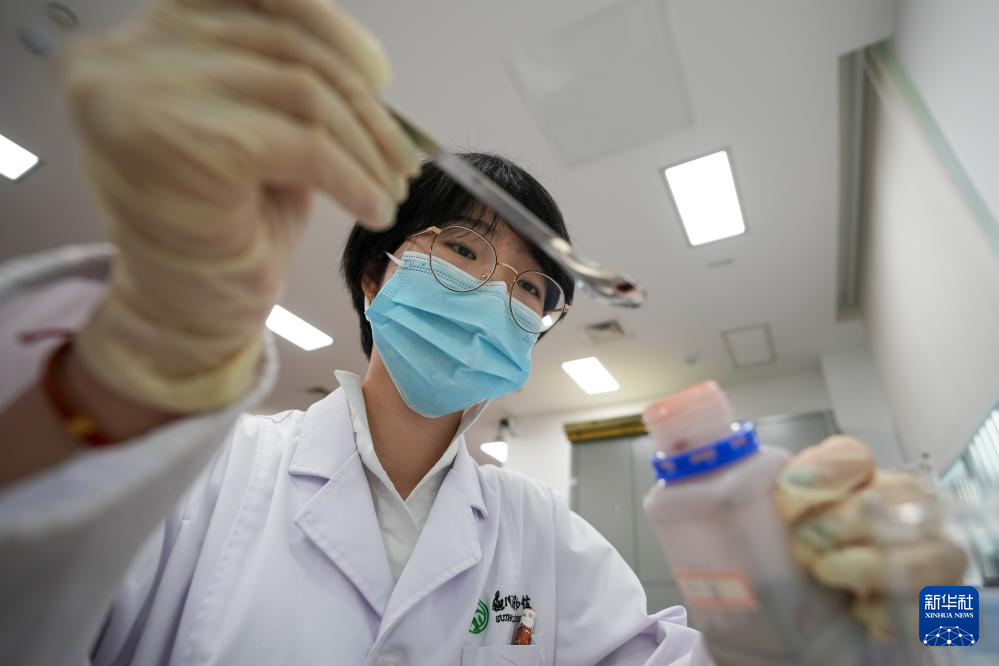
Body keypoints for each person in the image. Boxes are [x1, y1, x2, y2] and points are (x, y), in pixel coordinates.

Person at [0, 1, 965, 664]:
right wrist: (128, 365)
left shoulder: (541, 534)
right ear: (375, 277)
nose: (494, 292)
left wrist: (802, 631)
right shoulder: (210, 475)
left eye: (531, 287)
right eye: (460, 250)